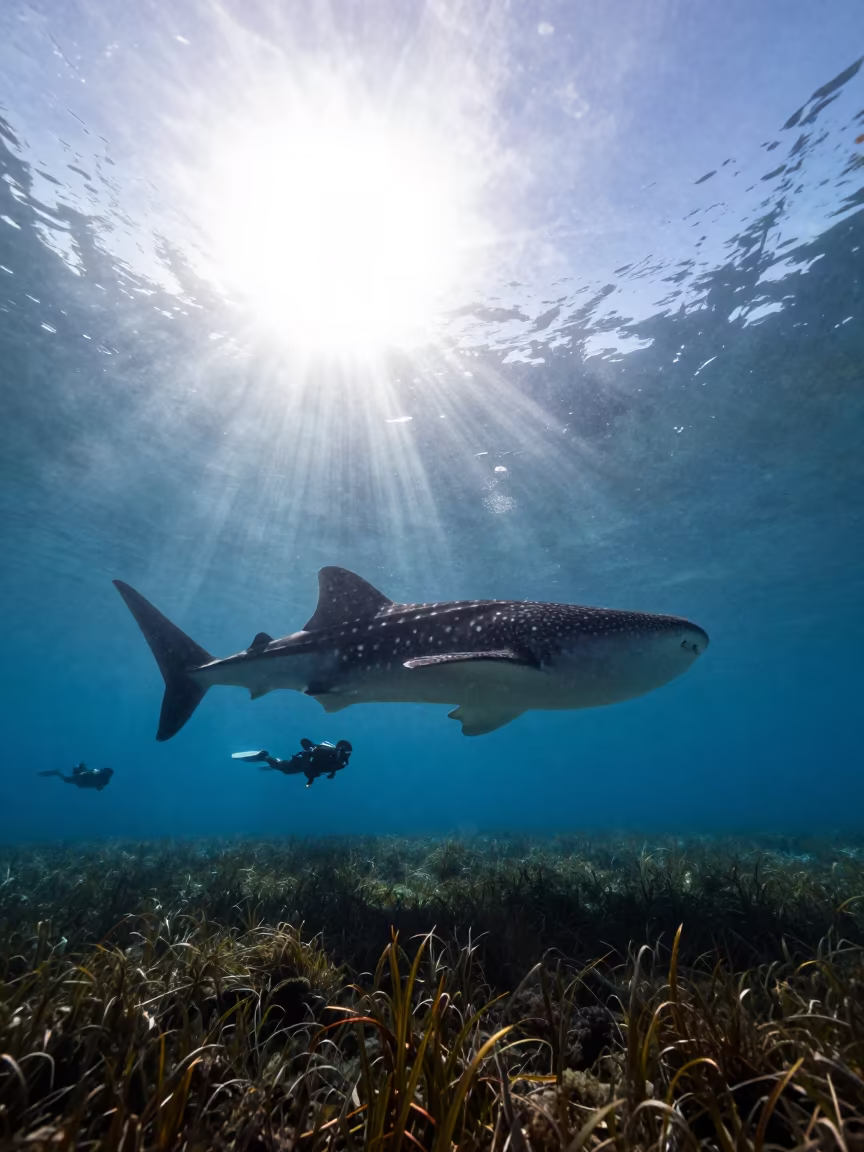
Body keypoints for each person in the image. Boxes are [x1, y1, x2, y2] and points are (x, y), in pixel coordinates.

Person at [232, 739, 352, 787]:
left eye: (347, 754)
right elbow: (305, 749)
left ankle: (276, 763)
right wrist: (310, 777)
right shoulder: (324, 752)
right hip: (303, 761)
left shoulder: (342, 763)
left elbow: (333, 766)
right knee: (285, 769)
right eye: (344, 753)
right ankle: (264, 756)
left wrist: (332, 774)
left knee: (287, 770)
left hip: (310, 767)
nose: (345, 756)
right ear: (338, 750)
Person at [38, 763, 114, 791]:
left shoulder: (103, 777)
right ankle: (56, 772)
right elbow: (99, 787)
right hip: (82, 779)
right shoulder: (102, 777)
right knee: (66, 779)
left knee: (66, 779)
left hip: (82, 780)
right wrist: (81, 772)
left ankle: (56, 772)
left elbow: (99, 787)